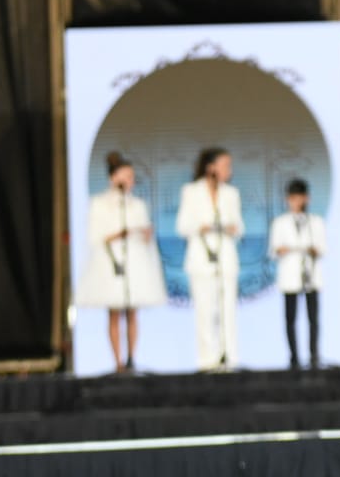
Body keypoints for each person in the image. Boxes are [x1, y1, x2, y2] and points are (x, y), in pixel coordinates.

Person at [78, 151, 169, 374]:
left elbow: (144, 231)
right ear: (113, 178)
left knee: (132, 312)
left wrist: (145, 234)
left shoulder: (137, 205)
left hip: (135, 260)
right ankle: (116, 361)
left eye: (132, 177)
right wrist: (121, 233)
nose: (129, 181)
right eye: (126, 176)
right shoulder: (99, 203)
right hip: (111, 261)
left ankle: (131, 358)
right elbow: (95, 236)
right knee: (114, 312)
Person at [175, 147, 244, 371]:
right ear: (211, 167)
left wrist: (232, 228)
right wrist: (201, 227)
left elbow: (240, 226)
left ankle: (229, 358)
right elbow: (182, 226)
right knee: (205, 311)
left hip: (225, 258)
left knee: (228, 311)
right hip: (201, 259)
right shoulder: (191, 191)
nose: (228, 170)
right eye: (225, 165)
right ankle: (207, 360)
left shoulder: (231, 194)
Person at [269, 178, 328, 370]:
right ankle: (293, 357)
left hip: (310, 274)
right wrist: (287, 249)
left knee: (313, 318)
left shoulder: (315, 222)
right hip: (290, 275)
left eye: (298, 198)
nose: (294, 202)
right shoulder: (280, 222)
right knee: (290, 318)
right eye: (291, 198)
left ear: (306, 198)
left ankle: (314, 356)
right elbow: (273, 250)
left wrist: (312, 250)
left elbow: (323, 248)